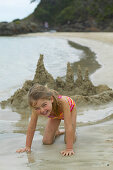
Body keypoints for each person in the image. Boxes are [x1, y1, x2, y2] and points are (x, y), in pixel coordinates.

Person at [16, 84, 77, 156]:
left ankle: (73, 133)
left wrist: (69, 149)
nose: (42, 110)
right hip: (55, 115)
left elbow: (68, 125)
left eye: (44, 105)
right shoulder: (35, 108)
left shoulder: (63, 102)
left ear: (51, 99)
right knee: (46, 141)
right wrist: (27, 147)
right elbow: (32, 127)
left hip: (70, 109)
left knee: (69, 141)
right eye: (37, 108)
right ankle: (57, 132)